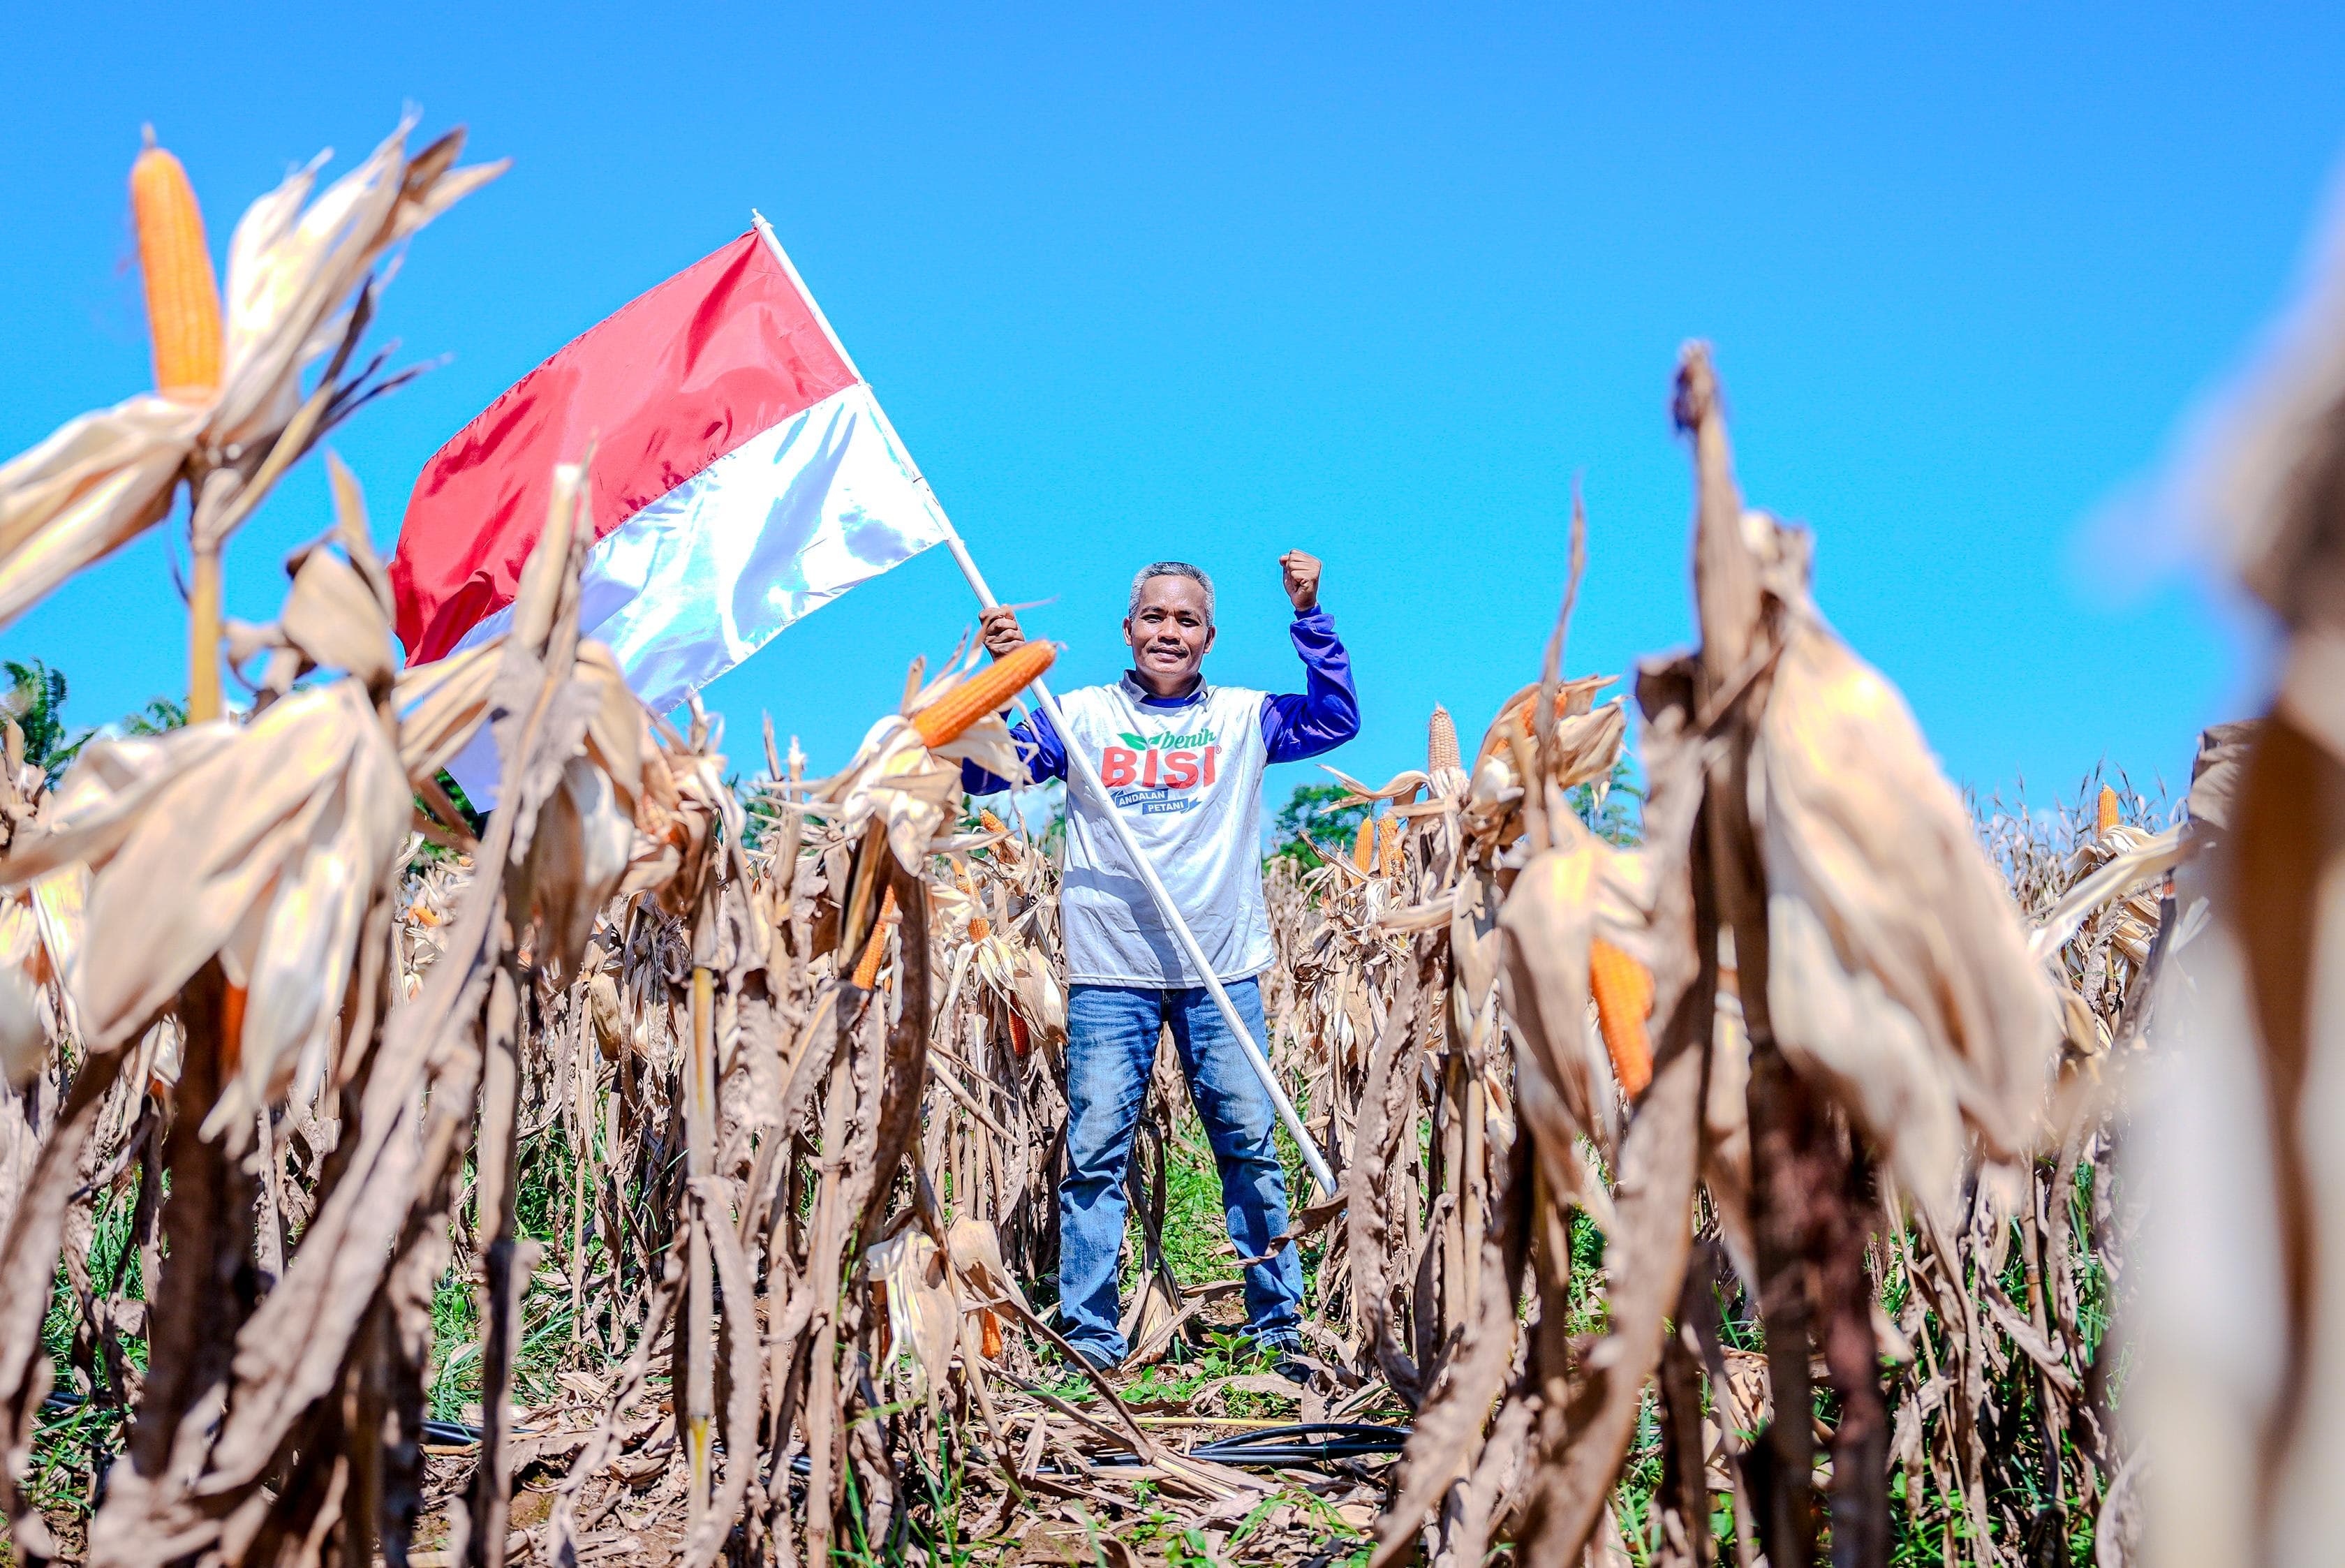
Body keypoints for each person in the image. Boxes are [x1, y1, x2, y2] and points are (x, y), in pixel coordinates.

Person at [960, 552, 1359, 1371]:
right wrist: (1002, 677)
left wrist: (1309, 614)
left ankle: (1276, 1324)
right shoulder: (1078, 715)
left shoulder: (1247, 716)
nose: (1167, 631)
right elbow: (977, 771)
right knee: (1095, 1154)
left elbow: (1336, 720)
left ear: (1209, 637)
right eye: (1153, 616)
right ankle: (1092, 1335)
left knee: (1246, 1144)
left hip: (1222, 968)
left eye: (1184, 620)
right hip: (1111, 973)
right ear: (1127, 629)